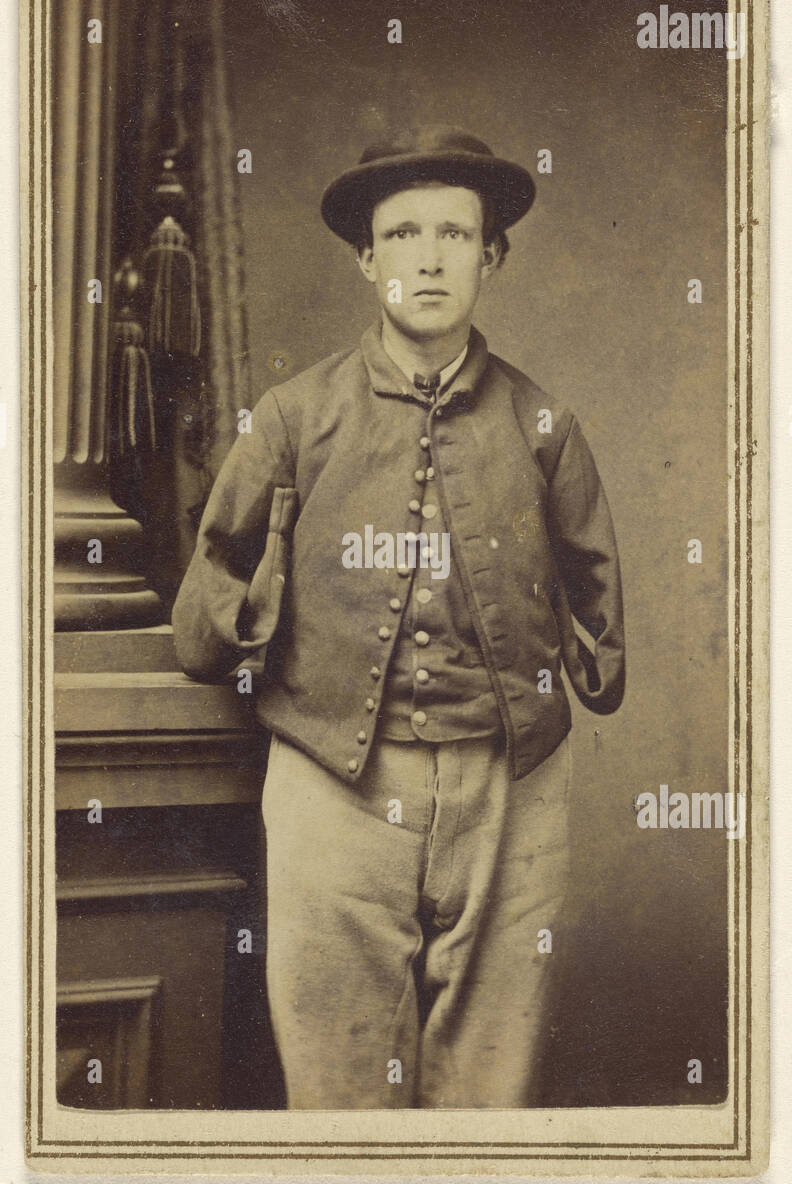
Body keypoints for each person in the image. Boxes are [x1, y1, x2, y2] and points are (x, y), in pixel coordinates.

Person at [172, 125, 626, 1109]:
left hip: (512, 790)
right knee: (338, 1090)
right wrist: (261, 614)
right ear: (367, 257)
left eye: (456, 235)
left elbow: (599, 604)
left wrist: (579, 671)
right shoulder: (292, 417)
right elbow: (204, 606)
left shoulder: (545, 426)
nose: (428, 257)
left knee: (488, 1095)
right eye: (404, 233)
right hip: (331, 782)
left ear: (492, 255)